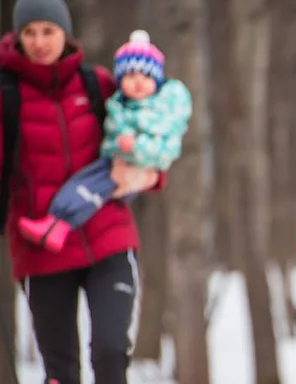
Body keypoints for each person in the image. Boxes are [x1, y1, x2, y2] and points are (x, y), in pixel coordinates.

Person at [0, 0, 166, 384]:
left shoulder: (96, 84)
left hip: (107, 237)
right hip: (41, 246)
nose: (41, 40)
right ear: (19, 36)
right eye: (32, 31)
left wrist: (147, 171)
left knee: (114, 351)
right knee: (59, 373)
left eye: (50, 29)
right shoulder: (6, 93)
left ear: (65, 34)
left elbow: (147, 132)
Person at [17, 29, 191, 252]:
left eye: (146, 76)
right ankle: (57, 223)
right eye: (130, 76)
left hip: (130, 166)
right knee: (84, 185)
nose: (138, 83)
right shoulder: (119, 104)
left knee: (88, 188)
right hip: (113, 161)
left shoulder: (161, 112)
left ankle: (60, 223)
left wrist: (137, 150)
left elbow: (166, 149)